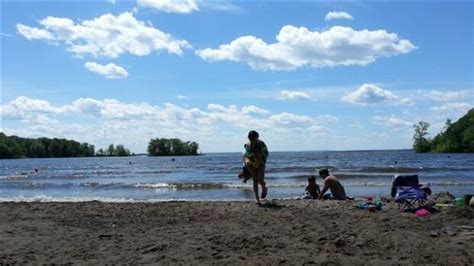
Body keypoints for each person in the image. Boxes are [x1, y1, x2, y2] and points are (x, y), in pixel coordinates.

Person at [243, 130, 268, 204]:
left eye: (254, 139)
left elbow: (266, 153)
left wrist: (257, 155)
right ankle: (257, 199)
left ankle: (264, 187)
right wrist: (251, 157)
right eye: (251, 139)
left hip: (260, 163)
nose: (252, 141)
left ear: (257, 137)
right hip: (251, 164)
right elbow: (246, 155)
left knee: (260, 180)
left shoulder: (261, 144)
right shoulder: (247, 145)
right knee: (255, 181)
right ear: (248, 138)